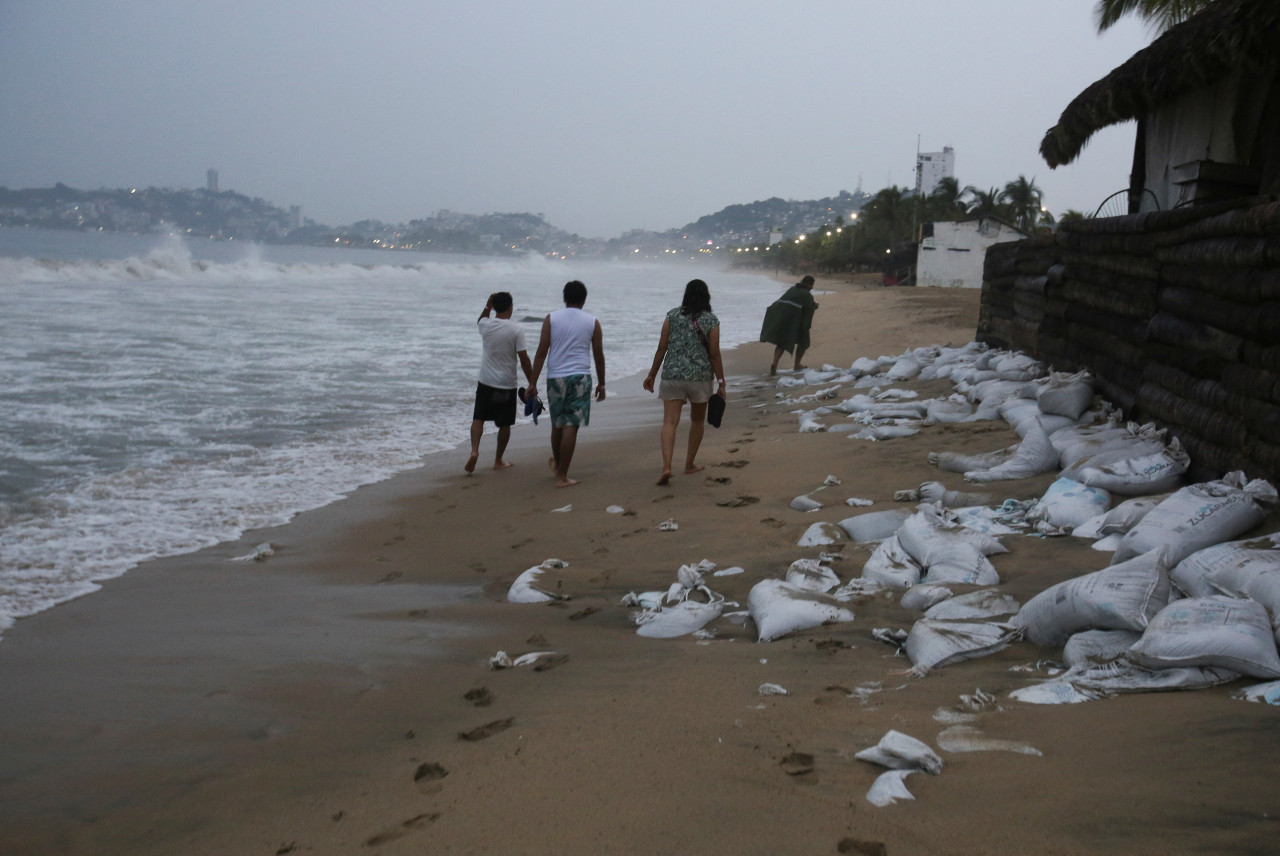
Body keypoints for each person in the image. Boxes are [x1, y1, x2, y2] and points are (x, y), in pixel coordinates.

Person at [643, 279, 725, 486]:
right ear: (706, 296)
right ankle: (689, 464)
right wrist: (721, 381)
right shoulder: (711, 320)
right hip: (699, 377)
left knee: (669, 422)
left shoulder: (672, 315)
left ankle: (667, 467)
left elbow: (662, 348)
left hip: (673, 376)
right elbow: (714, 354)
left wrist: (652, 374)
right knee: (697, 421)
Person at [527, 280, 606, 488]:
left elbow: (541, 352)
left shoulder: (551, 319)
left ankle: (559, 469)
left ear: (564, 298)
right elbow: (598, 355)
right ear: (584, 299)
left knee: (557, 424)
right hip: (580, 377)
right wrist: (602, 383)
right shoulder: (592, 322)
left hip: (555, 377)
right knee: (572, 424)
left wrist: (532, 382)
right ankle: (562, 475)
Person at [466, 291, 533, 473]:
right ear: (510, 307)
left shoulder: (486, 325)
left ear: (494, 307)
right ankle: (498, 460)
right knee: (505, 424)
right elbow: (524, 358)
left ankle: (474, 451)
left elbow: (480, 319)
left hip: (485, 381)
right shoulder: (516, 329)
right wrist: (532, 382)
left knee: (478, 418)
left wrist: (488, 305)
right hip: (506, 383)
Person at [759, 274, 818, 375]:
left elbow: (780, 303)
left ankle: (774, 363)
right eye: (812, 285)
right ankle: (797, 364)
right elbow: (808, 311)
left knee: (781, 343)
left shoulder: (792, 290)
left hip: (783, 320)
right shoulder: (807, 295)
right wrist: (814, 307)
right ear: (809, 284)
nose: (812, 288)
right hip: (795, 323)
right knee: (803, 342)